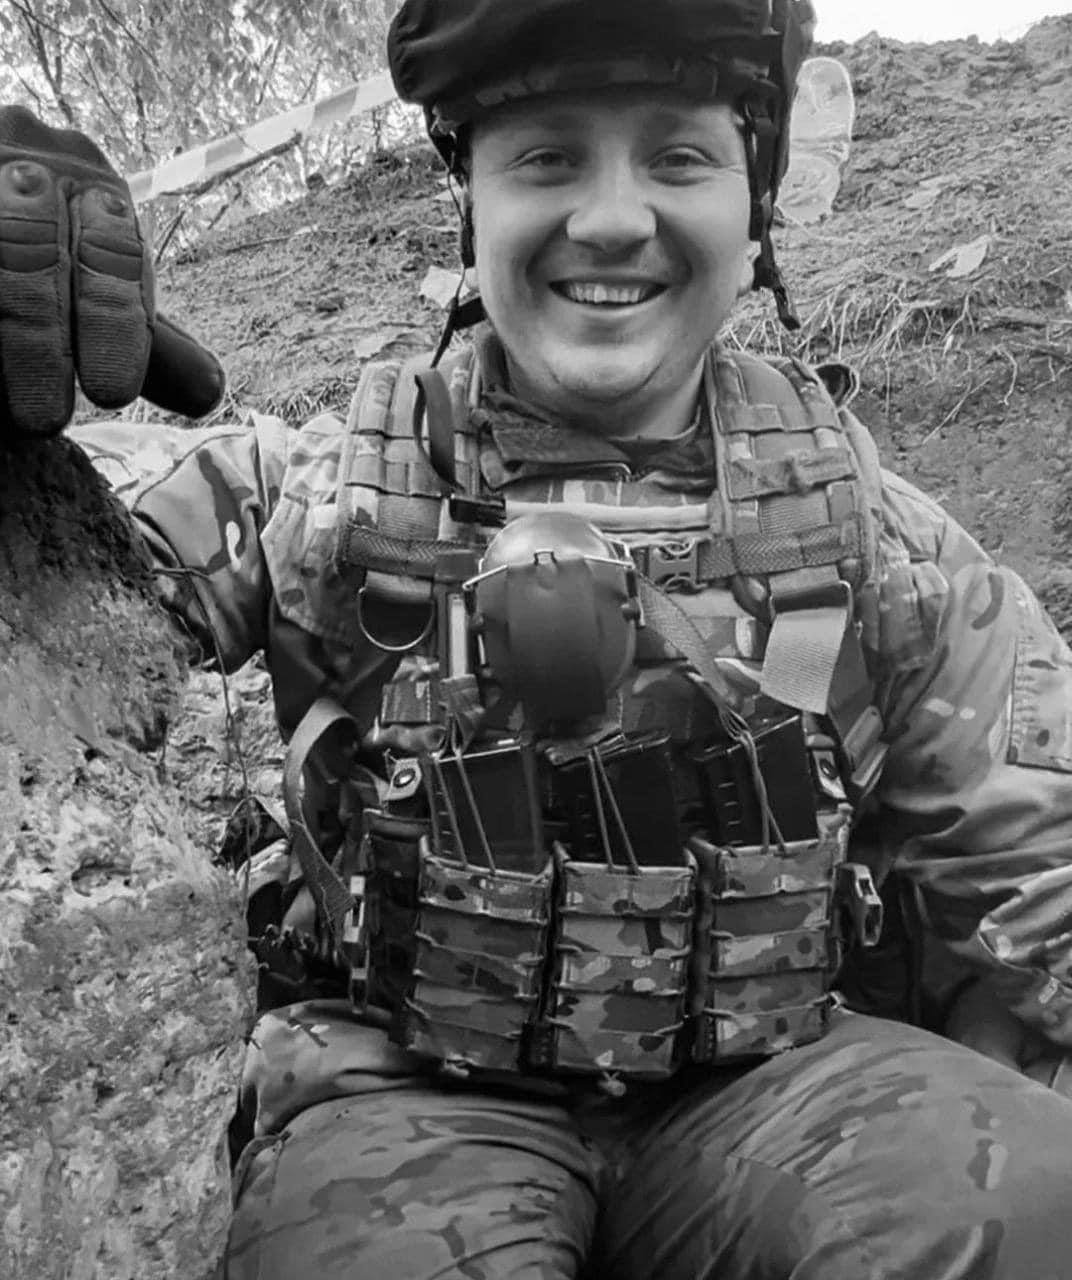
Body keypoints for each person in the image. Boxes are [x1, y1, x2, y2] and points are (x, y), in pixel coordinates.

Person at [4, 2, 1072, 1276]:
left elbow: (1033, 873)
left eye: (678, 156)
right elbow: (52, 614)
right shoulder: (322, 500)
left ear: (755, 201)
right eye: (548, 157)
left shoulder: (877, 539)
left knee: (1020, 1203)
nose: (612, 218)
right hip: (400, 1094)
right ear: (472, 201)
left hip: (781, 1086)